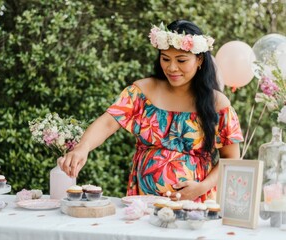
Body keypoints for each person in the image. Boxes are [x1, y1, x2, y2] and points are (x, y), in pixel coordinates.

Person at [59, 19, 244, 202]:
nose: (172, 68)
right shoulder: (142, 91)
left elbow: (232, 159)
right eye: (165, 58)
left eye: (181, 60)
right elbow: (108, 122)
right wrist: (82, 148)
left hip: (194, 204)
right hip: (143, 201)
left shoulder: (217, 103)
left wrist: (201, 187)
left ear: (199, 59)